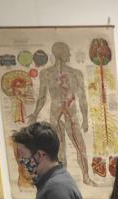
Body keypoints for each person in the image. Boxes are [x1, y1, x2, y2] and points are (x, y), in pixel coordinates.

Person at [27, 41, 93, 185]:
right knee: (59, 147)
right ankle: (63, 180)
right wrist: (34, 114)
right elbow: (42, 97)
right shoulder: (46, 73)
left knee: (80, 145)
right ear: (59, 53)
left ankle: (86, 177)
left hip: (71, 112)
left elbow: (82, 97)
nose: (69, 54)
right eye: (67, 52)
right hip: (55, 113)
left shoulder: (76, 74)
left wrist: (85, 118)